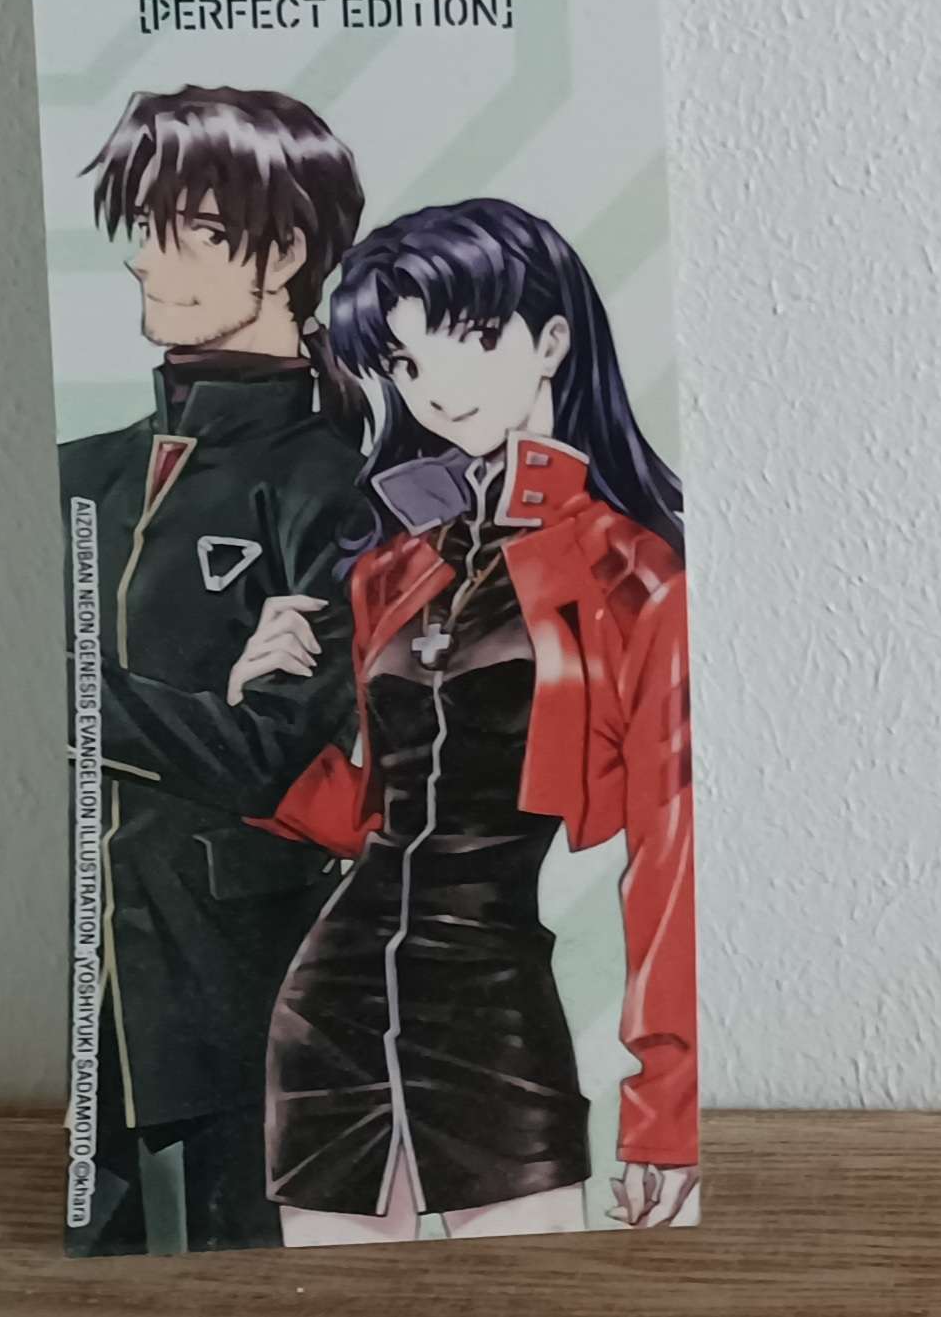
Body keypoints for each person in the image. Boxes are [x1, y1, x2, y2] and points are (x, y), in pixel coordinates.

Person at [241, 197, 698, 1241]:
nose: (438, 386)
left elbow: (669, 851)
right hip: (329, 1008)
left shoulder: (636, 575)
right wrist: (264, 712)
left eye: (472, 339)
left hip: (495, 999)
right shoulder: (391, 568)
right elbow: (367, 813)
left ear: (553, 340)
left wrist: (667, 1106)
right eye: (405, 363)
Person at [60, 86, 368, 1255]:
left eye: (190, 229)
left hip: (231, 993)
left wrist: (76, 693)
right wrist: (185, 713)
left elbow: (267, 751)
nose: (146, 259)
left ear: (283, 253)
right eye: (142, 227)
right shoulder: (79, 471)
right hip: (73, 996)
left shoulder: (337, 483)